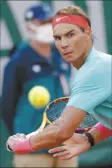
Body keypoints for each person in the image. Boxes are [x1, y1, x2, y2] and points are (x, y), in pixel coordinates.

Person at [6, 4, 112, 166]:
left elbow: (62, 129)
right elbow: (8, 103)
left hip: (57, 141)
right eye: (59, 37)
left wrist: (20, 144)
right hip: (41, 149)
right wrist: (89, 138)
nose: (64, 43)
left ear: (88, 32)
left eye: (71, 34)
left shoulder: (91, 72)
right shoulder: (101, 63)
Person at [2, 2, 73, 168]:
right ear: (30, 26)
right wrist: (25, 135)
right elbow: (7, 105)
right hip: (32, 149)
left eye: (50, 22)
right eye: (42, 23)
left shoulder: (63, 54)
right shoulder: (18, 61)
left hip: (65, 145)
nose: (48, 26)